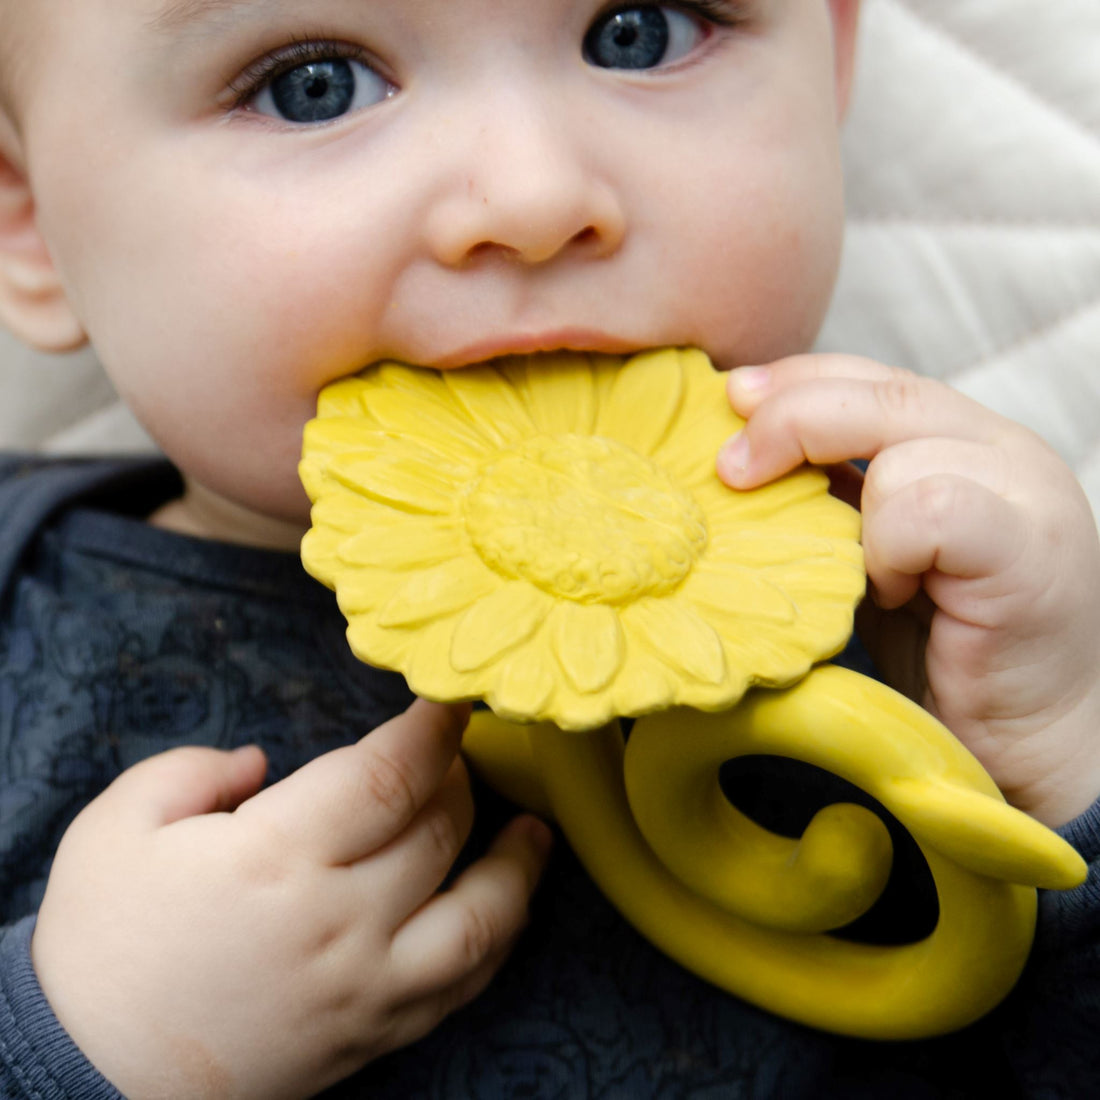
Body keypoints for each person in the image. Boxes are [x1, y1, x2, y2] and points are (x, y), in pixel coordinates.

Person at [0, 0, 1097, 1096]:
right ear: (29, 217)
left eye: (641, 31)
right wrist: (79, 1045)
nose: (532, 198)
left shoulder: (938, 609)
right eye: (312, 84)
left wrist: (1063, 759)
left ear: (831, 64)